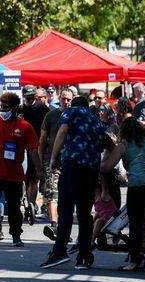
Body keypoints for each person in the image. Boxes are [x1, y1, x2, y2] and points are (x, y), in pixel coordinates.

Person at [41, 95, 112, 270]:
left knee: (65, 210)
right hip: (91, 169)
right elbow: (109, 143)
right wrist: (104, 164)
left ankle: (59, 251)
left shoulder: (71, 112)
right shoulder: (95, 120)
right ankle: (84, 255)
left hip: (73, 164)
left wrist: (53, 157)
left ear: (73, 104)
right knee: (84, 213)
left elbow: (63, 130)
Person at [102, 116, 145, 274]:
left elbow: (107, 167)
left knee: (135, 224)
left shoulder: (123, 145)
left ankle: (133, 261)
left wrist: (105, 154)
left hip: (138, 185)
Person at [0, 92, 41, 246]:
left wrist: (39, 169)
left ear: (15, 108)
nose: (3, 109)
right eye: (2, 106)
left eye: (6, 107)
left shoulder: (25, 127)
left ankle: (16, 235)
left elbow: (33, 149)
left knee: (14, 207)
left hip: (14, 174)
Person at [39, 87, 75, 235]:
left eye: (69, 99)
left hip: (71, 161)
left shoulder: (75, 116)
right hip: (53, 161)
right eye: (63, 99)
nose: (66, 102)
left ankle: (63, 224)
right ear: (59, 99)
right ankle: (54, 224)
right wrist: (41, 160)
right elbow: (42, 138)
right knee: (52, 192)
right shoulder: (51, 115)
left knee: (67, 194)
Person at [20, 85, 49, 222]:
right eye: (28, 96)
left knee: (33, 179)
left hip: (35, 147)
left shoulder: (42, 108)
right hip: (22, 147)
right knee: (26, 179)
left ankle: (31, 206)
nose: (30, 99)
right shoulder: (20, 108)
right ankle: (29, 205)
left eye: (32, 96)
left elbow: (47, 125)